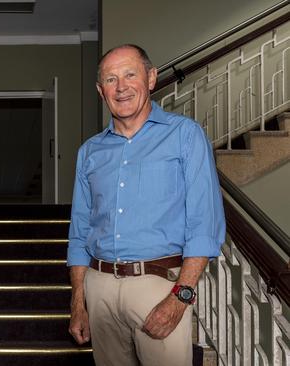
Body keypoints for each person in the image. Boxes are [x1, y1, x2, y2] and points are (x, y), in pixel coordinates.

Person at [67, 44, 225, 366]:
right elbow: (80, 231)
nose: (121, 87)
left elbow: (204, 225)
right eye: (111, 80)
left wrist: (180, 297)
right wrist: (78, 301)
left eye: (130, 74)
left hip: (160, 286)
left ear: (151, 78)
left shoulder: (185, 136)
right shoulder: (89, 152)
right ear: (101, 91)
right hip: (98, 286)